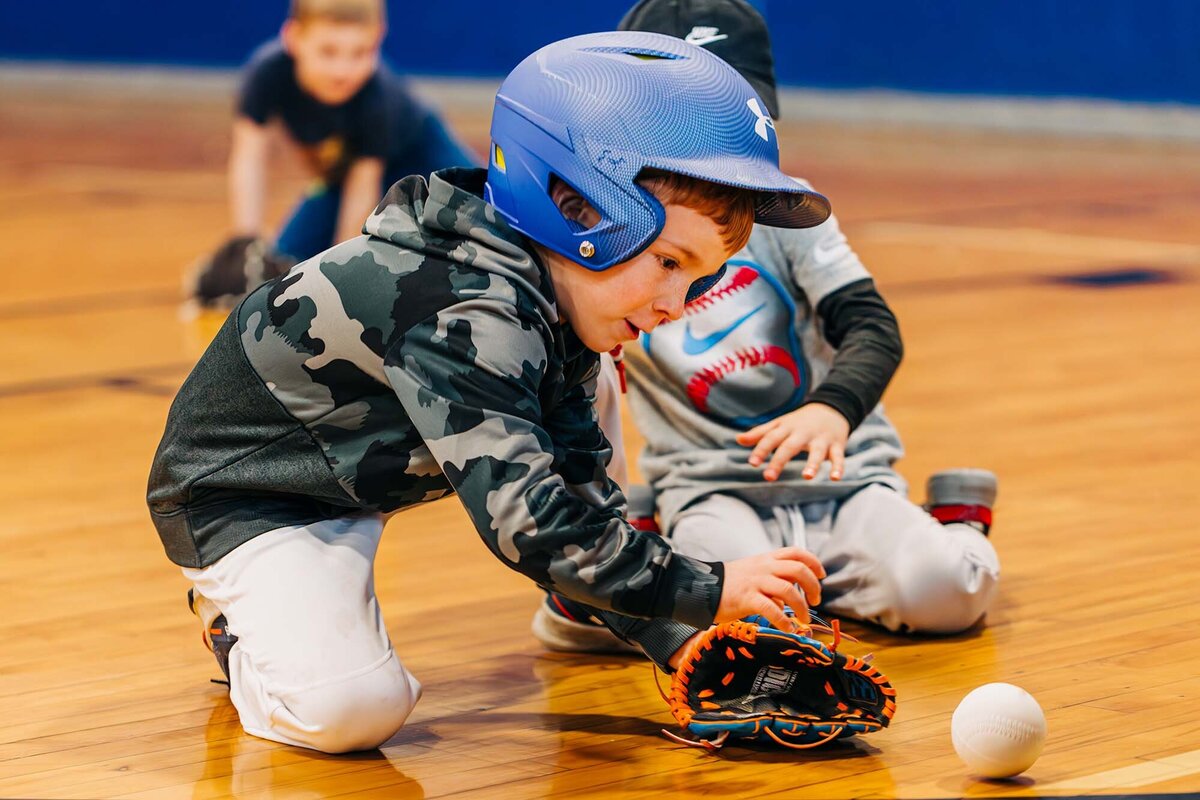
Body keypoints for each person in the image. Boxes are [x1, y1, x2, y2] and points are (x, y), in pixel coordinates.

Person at [147, 30, 837, 754]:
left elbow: (578, 497)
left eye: (697, 279)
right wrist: (707, 589)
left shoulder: (557, 293)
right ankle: (233, 624)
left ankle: (577, 595)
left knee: (599, 374)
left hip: (357, 471)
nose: (677, 303)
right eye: (669, 260)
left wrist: (679, 638)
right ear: (577, 209)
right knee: (350, 711)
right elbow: (530, 526)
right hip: (251, 496)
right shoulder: (465, 312)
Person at [531, 0, 1001, 654]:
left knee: (949, 593)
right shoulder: (600, 226)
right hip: (713, 491)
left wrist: (832, 411)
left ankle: (955, 523)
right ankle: (648, 533)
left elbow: (872, 325)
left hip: (842, 482)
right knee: (744, 627)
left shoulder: (787, 216)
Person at [193, 0, 479, 306]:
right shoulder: (267, 74)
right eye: (328, 52)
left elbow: (364, 185)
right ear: (293, 37)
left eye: (361, 53)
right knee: (284, 264)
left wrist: (339, 274)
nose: (343, 70)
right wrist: (245, 241)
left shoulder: (378, 97)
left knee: (486, 220)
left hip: (425, 160)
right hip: (344, 177)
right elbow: (249, 156)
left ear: (379, 37)